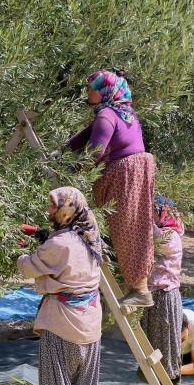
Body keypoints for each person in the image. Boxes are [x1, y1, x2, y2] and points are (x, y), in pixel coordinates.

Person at [53, 69, 156, 307]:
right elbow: (87, 135)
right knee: (137, 228)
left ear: (103, 92)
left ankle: (139, 290)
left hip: (124, 176)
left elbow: (94, 152)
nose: (88, 92)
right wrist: (64, 149)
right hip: (138, 172)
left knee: (126, 230)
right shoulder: (124, 112)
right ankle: (139, 287)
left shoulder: (107, 115)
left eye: (92, 88)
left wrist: (72, 172)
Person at [17, 187, 103, 385]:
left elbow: (29, 266)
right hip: (90, 322)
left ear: (66, 210)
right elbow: (68, 256)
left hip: (63, 323)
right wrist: (45, 235)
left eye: (53, 207)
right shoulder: (89, 233)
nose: (49, 212)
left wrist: (19, 253)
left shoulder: (59, 244)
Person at [140, 196, 185, 385]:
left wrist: (137, 217)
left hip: (165, 298)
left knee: (166, 352)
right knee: (157, 350)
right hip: (156, 297)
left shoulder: (170, 235)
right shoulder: (164, 232)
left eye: (155, 212)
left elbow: (153, 239)